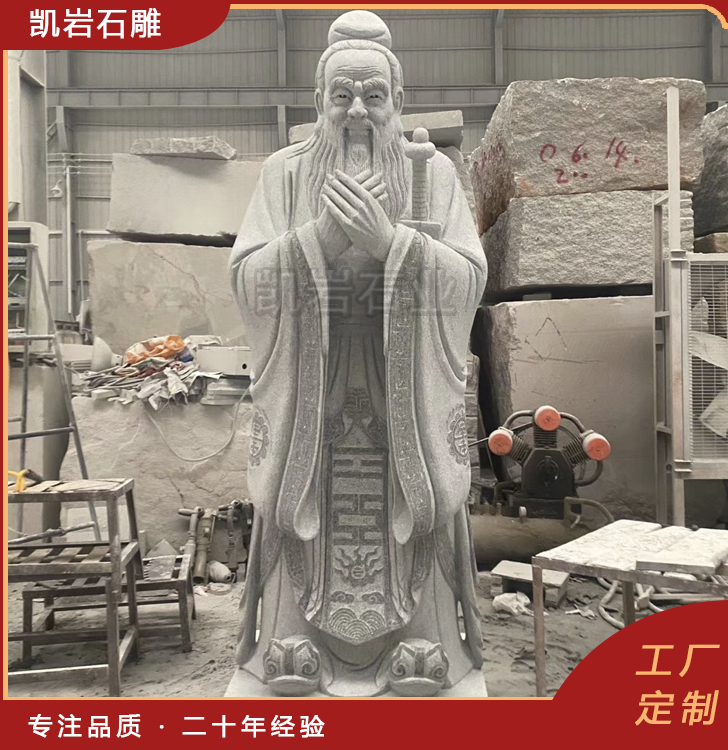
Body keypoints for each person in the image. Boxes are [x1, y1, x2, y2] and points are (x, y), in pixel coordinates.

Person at [229, 10, 487, 697]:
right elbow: (247, 279)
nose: (357, 112)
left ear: (397, 100)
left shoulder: (432, 175)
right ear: (319, 100)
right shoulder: (285, 175)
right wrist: (317, 238)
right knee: (303, 509)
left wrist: (390, 244)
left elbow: (469, 278)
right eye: (341, 95)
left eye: (374, 95)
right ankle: (294, 649)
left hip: (403, 387)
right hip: (309, 388)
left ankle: (424, 647)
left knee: (413, 507)